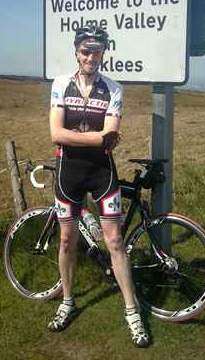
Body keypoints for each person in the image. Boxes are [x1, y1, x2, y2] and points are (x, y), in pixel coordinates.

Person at [48, 25, 149, 348]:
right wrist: (98, 138)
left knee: (115, 240)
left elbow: (109, 136)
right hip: (69, 171)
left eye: (96, 51)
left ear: (104, 52)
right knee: (66, 240)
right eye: (85, 51)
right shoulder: (61, 84)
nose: (90, 57)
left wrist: (80, 136)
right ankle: (67, 299)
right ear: (76, 52)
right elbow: (56, 134)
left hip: (101, 171)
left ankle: (131, 310)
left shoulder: (114, 88)